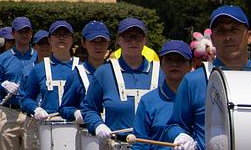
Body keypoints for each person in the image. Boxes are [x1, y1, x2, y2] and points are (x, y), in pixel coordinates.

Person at [164, 5, 251, 150]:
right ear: (213, 39)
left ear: (248, 36)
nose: (228, 36)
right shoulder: (193, 81)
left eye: (234, 30)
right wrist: (180, 135)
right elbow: (174, 125)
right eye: (221, 31)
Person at [80, 17, 159, 145]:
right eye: (127, 37)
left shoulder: (160, 73)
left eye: (138, 37)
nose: (133, 41)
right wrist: (98, 125)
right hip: (116, 145)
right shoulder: (104, 72)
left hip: (155, 145)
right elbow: (89, 108)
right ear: (118, 40)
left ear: (145, 40)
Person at [0, 17, 35, 150]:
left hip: (33, 114)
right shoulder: (2, 59)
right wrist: (2, 86)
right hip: (9, 112)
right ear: (13, 34)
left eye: (27, 31)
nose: (24, 35)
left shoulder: (39, 58)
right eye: (20, 32)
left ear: (31, 33)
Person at [20, 21, 77, 135]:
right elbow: (25, 98)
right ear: (50, 40)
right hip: (47, 128)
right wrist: (36, 109)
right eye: (57, 34)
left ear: (72, 40)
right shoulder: (38, 69)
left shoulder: (81, 68)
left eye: (65, 34)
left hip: (77, 128)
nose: (61, 38)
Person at [133, 41, 191, 150]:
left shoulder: (200, 99)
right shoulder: (147, 101)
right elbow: (140, 145)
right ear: (161, 64)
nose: (174, 64)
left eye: (180, 60)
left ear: (190, 65)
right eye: (169, 60)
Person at [58, 20, 111, 124]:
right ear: (84, 43)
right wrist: (75, 113)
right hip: (87, 135)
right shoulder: (76, 75)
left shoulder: (116, 71)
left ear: (108, 43)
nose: (98, 46)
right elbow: (64, 108)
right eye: (93, 41)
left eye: (102, 41)